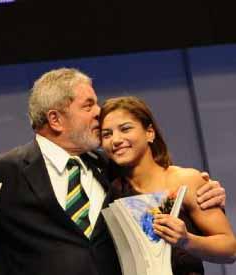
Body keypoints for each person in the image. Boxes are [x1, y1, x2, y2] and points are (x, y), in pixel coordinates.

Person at [0, 68, 226, 275]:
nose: (99, 112)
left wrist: (206, 190)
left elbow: (156, 182)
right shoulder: (3, 171)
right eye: (88, 106)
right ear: (55, 119)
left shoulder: (111, 169)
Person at [100, 96, 236, 274]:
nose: (116, 140)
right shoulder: (111, 191)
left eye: (125, 129)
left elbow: (230, 250)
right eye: (106, 134)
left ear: (150, 133)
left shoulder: (185, 180)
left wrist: (186, 240)